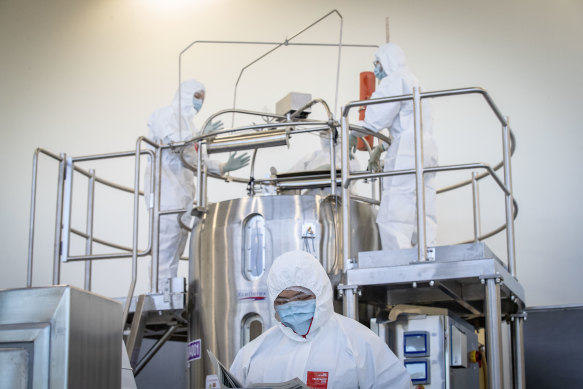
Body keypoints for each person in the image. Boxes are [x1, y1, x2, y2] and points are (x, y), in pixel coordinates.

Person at [230, 250, 411, 388]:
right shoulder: (252, 355)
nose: (292, 307)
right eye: (283, 301)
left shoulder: (360, 344)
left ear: (321, 293)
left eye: (301, 298)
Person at [145, 79, 250, 288]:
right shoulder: (166, 114)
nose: (199, 103)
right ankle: (159, 296)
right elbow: (173, 143)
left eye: (202, 98)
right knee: (164, 249)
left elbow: (195, 162)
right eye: (197, 96)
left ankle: (169, 296)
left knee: (176, 248)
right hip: (164, 194)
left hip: (182, 197)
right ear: (184, 94)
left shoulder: (191, 126)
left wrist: (222, 167)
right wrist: (200, 135)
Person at [359, 43, 438, 250]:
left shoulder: (394, 80)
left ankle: (398, 257)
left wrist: (353, 132)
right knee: (423, 205)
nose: (376, 69)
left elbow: (376, 117)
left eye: (376, 63)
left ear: (386, 61)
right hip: (427, 148)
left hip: (407, 151)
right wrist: (382, 148)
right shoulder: (415, 81)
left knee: (396, 207)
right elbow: (409, 121)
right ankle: (427, 250)